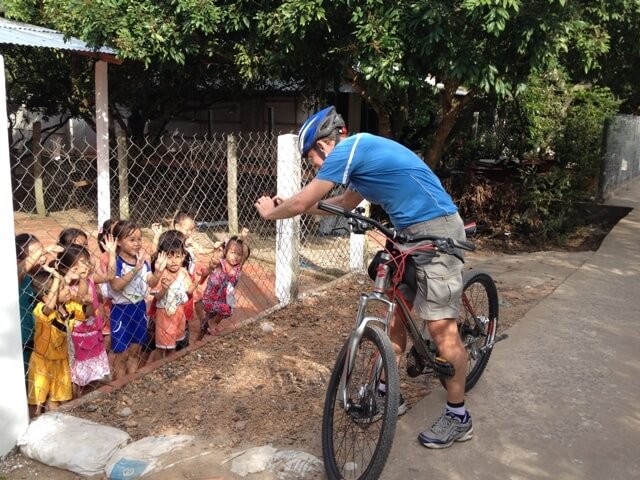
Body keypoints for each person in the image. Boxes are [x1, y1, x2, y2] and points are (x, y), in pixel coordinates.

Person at [254, 106, 471, 449]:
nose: (314, 166)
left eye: (311, 159)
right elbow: (341, 202)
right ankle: (389, 395)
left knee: (442, 331)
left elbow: (304, 204)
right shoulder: (357, 162)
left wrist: (274, 213)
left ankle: (459, 416)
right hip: (406, 233)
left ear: (323, 146)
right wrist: (294, 202)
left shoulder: (348, 149)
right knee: (394, 316)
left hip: (437, 230)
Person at [56, 241, 115, 396]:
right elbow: (83, 299)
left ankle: (91, 397)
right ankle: (77, 400)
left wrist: (112, 253)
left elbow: (110, 275)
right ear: (64, 268)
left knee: (94, 374)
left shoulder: (90, 279)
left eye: (85, 264)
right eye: (76, 267)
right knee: (78, 376)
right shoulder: (66, 287)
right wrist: (82, 278)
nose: (82, 270)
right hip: (78, 336)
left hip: (94, 331)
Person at [108, 220, 165, 379]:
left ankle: (131, 383)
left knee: (135, 351)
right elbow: (116, 286)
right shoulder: (116, 263)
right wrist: (135, 269)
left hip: (139, 308)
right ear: (119, 241)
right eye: (132, 240)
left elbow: (151, 282)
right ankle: (119, 387)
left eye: (139, 239)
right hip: (121, 310)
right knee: (122, 354)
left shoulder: (142, 261)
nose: (137, 243)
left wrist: (158, 272)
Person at [27, 267, 73, 416]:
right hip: (42, 362)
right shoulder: (41, 309)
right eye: (62, 288)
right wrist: (57, 279)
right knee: (36, 404)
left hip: (61, 361)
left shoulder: (67, 307)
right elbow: (48, 309)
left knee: (57, 401)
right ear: (47, 297)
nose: (68, 291)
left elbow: (86, 308)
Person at [16, 234, 63, 376]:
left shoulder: (38, 277)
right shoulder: (19, 278)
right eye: (36, 253)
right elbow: (19, 270)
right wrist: (45, 250)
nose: (42, 257)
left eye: (42, 251)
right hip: (21, 340)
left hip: (37, 339)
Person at [195, 229, 250, 341]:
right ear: (225, 252)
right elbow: (209, 267)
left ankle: (211, 323)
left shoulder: (238, 267)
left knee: (226, 309)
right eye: (232, 252)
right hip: (210, 297)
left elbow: (244, 252)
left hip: (224, 300)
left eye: (239, 254)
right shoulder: (220, 263)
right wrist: (210, 265)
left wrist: (243, 238)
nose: (235, 256)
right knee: (201, 307)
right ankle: (205, 323)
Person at [148, 233, 195, 360]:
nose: (174, 261)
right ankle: (156, 368)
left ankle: (169, 368)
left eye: (177, 256)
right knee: (161, 347)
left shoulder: (183, 272)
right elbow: (157, 297)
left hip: (180, 313)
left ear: (183, 256)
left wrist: (197, 283)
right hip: (165, 315)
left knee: (172, 346)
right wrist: (164, 287)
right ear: (162, 258)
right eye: (169, 257)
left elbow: (189, 290)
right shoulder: (162, 274)